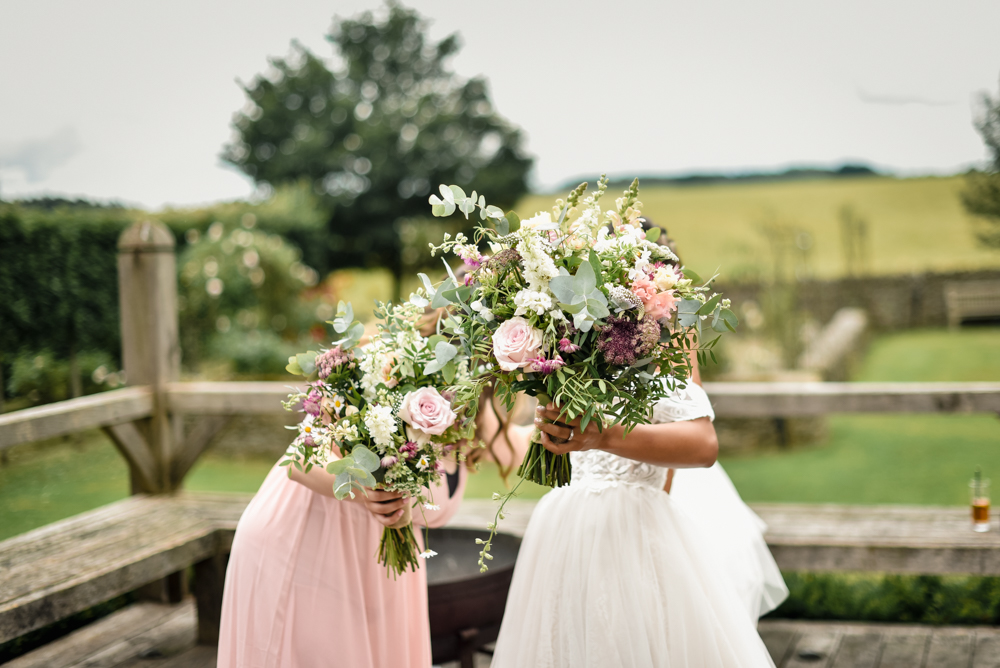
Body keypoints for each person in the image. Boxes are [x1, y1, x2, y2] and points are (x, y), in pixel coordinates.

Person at [487, 221, 776, 667]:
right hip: (563, 530)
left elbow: (703, 445)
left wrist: (601, 435)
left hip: (636, 530)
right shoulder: (572, 327)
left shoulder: (667, 332)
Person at [217, 309, 495, 668]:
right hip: (306, 550)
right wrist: (365, 491)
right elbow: (301, 461)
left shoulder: (473, 416)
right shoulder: (380, 367)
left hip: (376, 573)